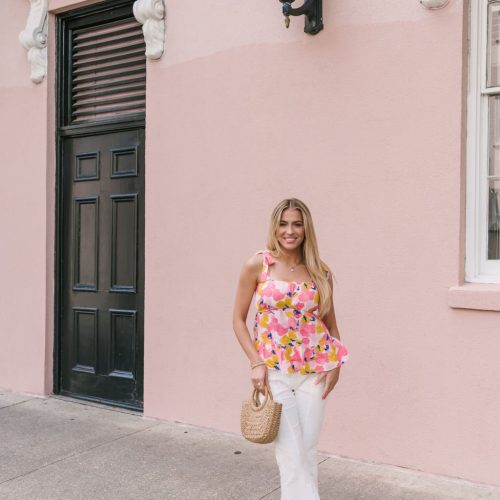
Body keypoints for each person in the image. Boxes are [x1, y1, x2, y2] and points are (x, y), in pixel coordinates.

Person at [232, 198, 349, 500]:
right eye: (284, 224)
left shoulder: (320, 271)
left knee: (306, 451)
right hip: (275, 373)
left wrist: (336, 363)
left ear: (306, 228)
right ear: (275, 226)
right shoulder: (258, 264)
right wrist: (255, 362)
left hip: (316, 374)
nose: (290, 231)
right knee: (291, 453)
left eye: (297, 224)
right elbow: (237, 320)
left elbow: (330, 324)